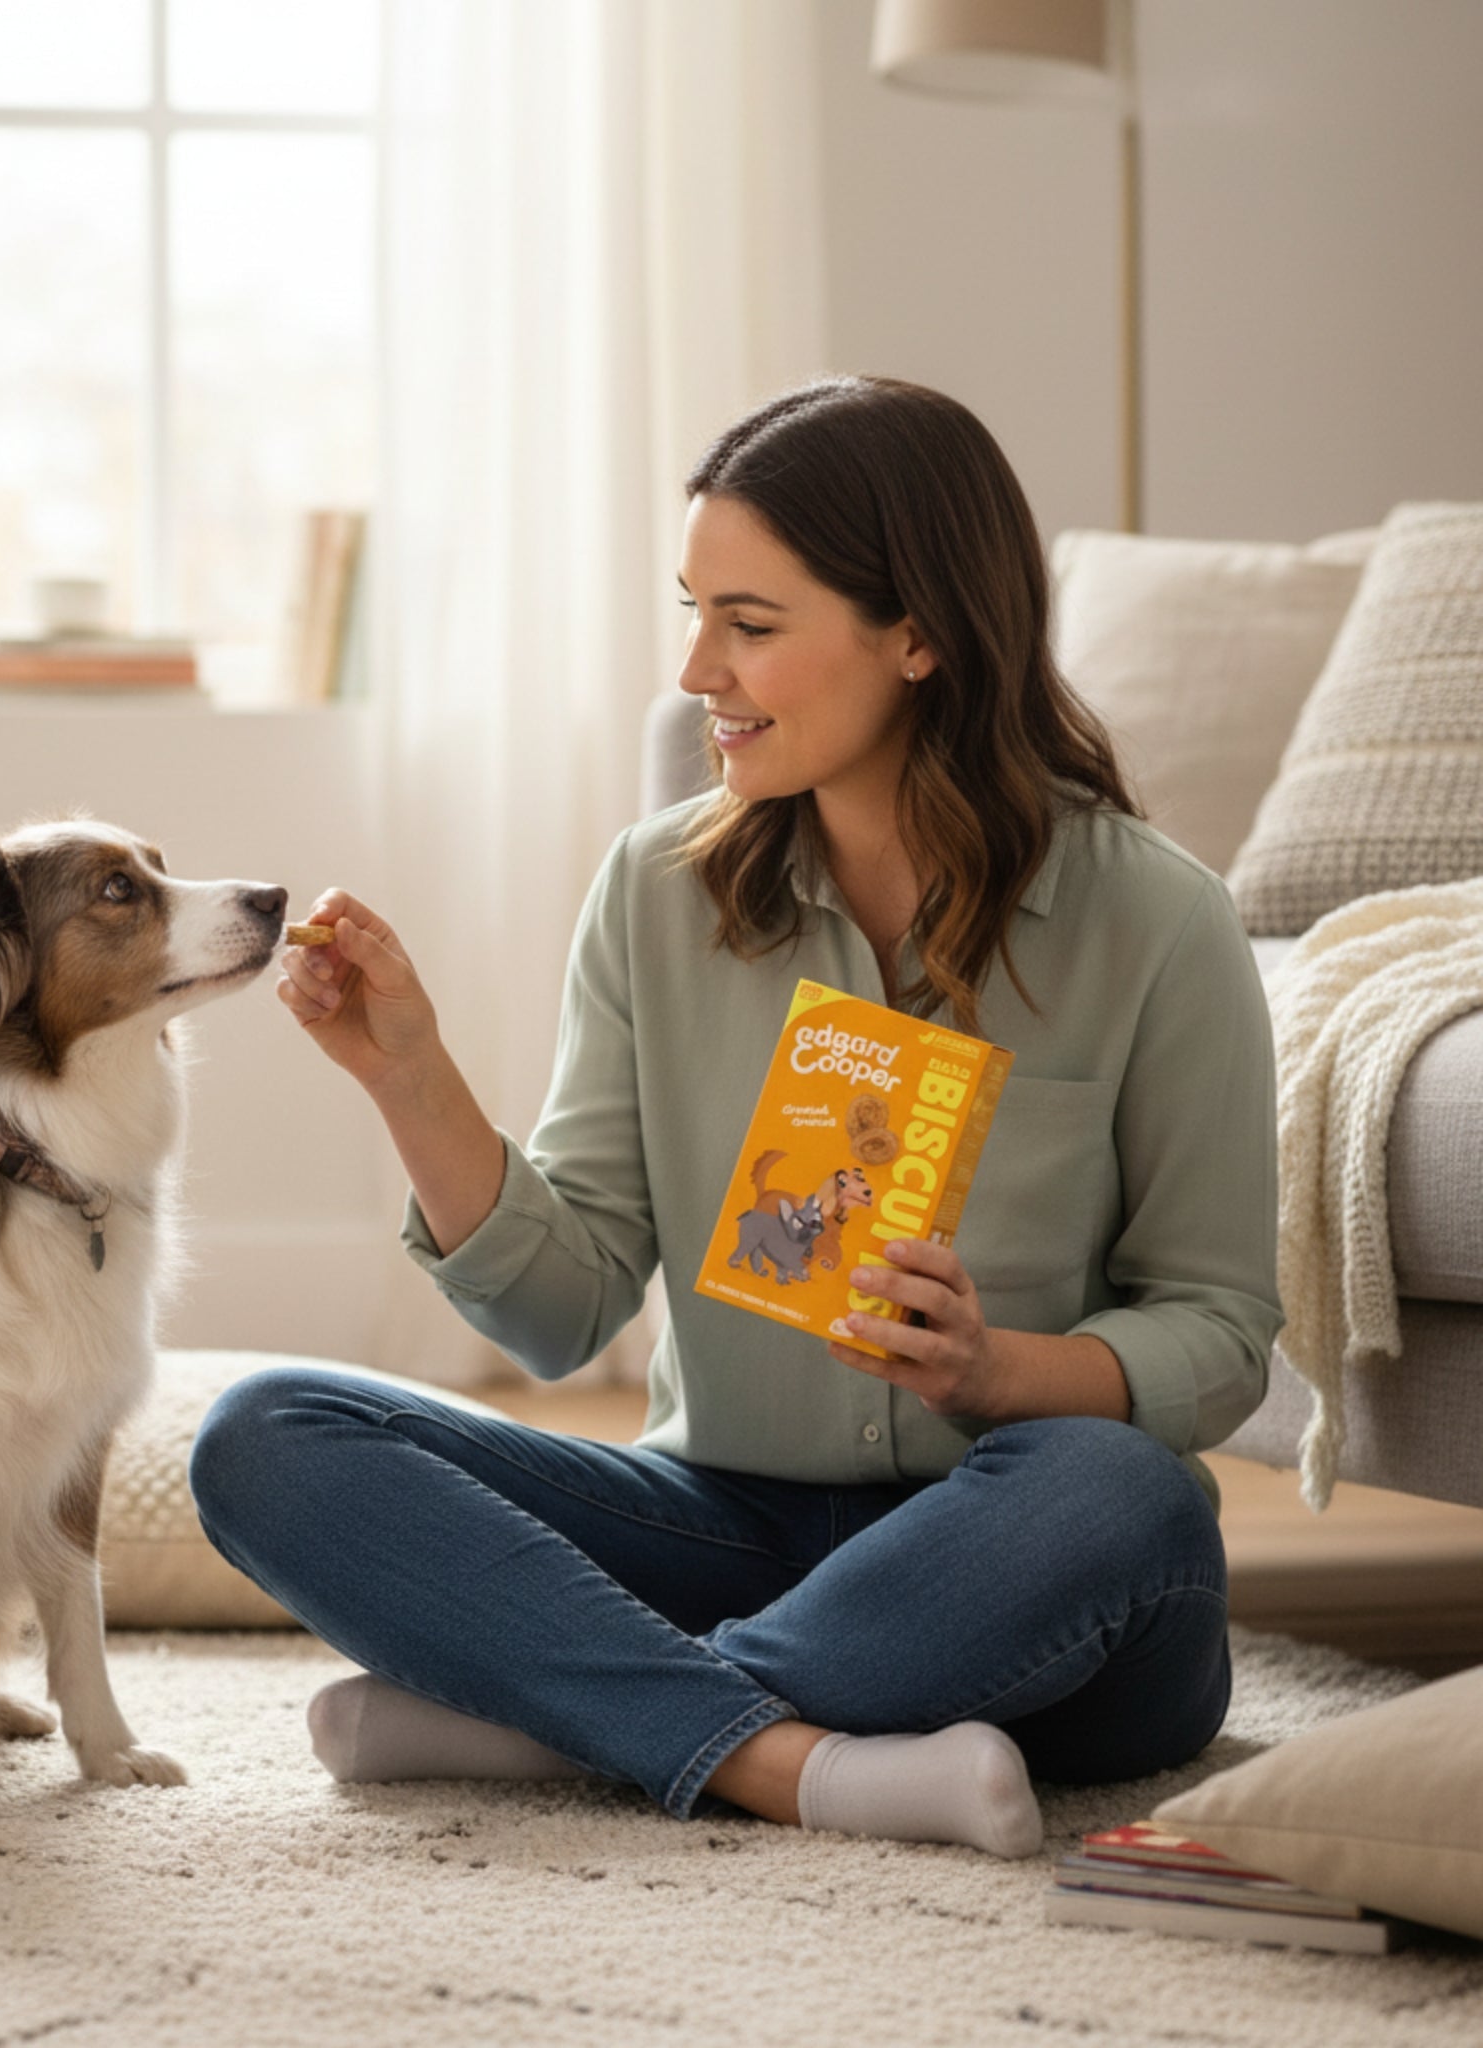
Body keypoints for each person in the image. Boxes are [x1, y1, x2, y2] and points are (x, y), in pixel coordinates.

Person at [188, 376, 1282, 1857]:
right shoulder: (656, 893)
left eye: (750, 624)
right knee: (266, 1434)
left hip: (1012, 1547)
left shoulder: (1161, 920)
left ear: (919, 634)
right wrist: (409, 1076)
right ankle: (784, 1757)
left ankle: (563, 1716)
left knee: (1123, 1496)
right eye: (694, 611)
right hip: (722, 1530)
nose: (698, 669)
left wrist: (997, 1369)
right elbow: (560, 1315)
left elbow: (1220, 1331)